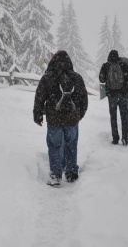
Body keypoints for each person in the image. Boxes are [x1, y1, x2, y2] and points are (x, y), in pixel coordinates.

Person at [33, 50, 88, 186]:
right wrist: (80, 114)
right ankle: (71, 173)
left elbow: (39, 98)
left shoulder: (47, 78)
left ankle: (56, 176)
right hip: (72, 120)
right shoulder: (77, 78)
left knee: (55, 146)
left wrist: (38, 115)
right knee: (71, 145)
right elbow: (84, 99)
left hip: (54, 119)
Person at [99, 50, 128, 146]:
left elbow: (101, 79)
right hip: (123, 95)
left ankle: (115, 138)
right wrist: (124, 77)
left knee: (113, 118)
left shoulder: (105, 66)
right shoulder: (123, 65)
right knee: (124, 117)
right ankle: (125, 139)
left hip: (112, 96)